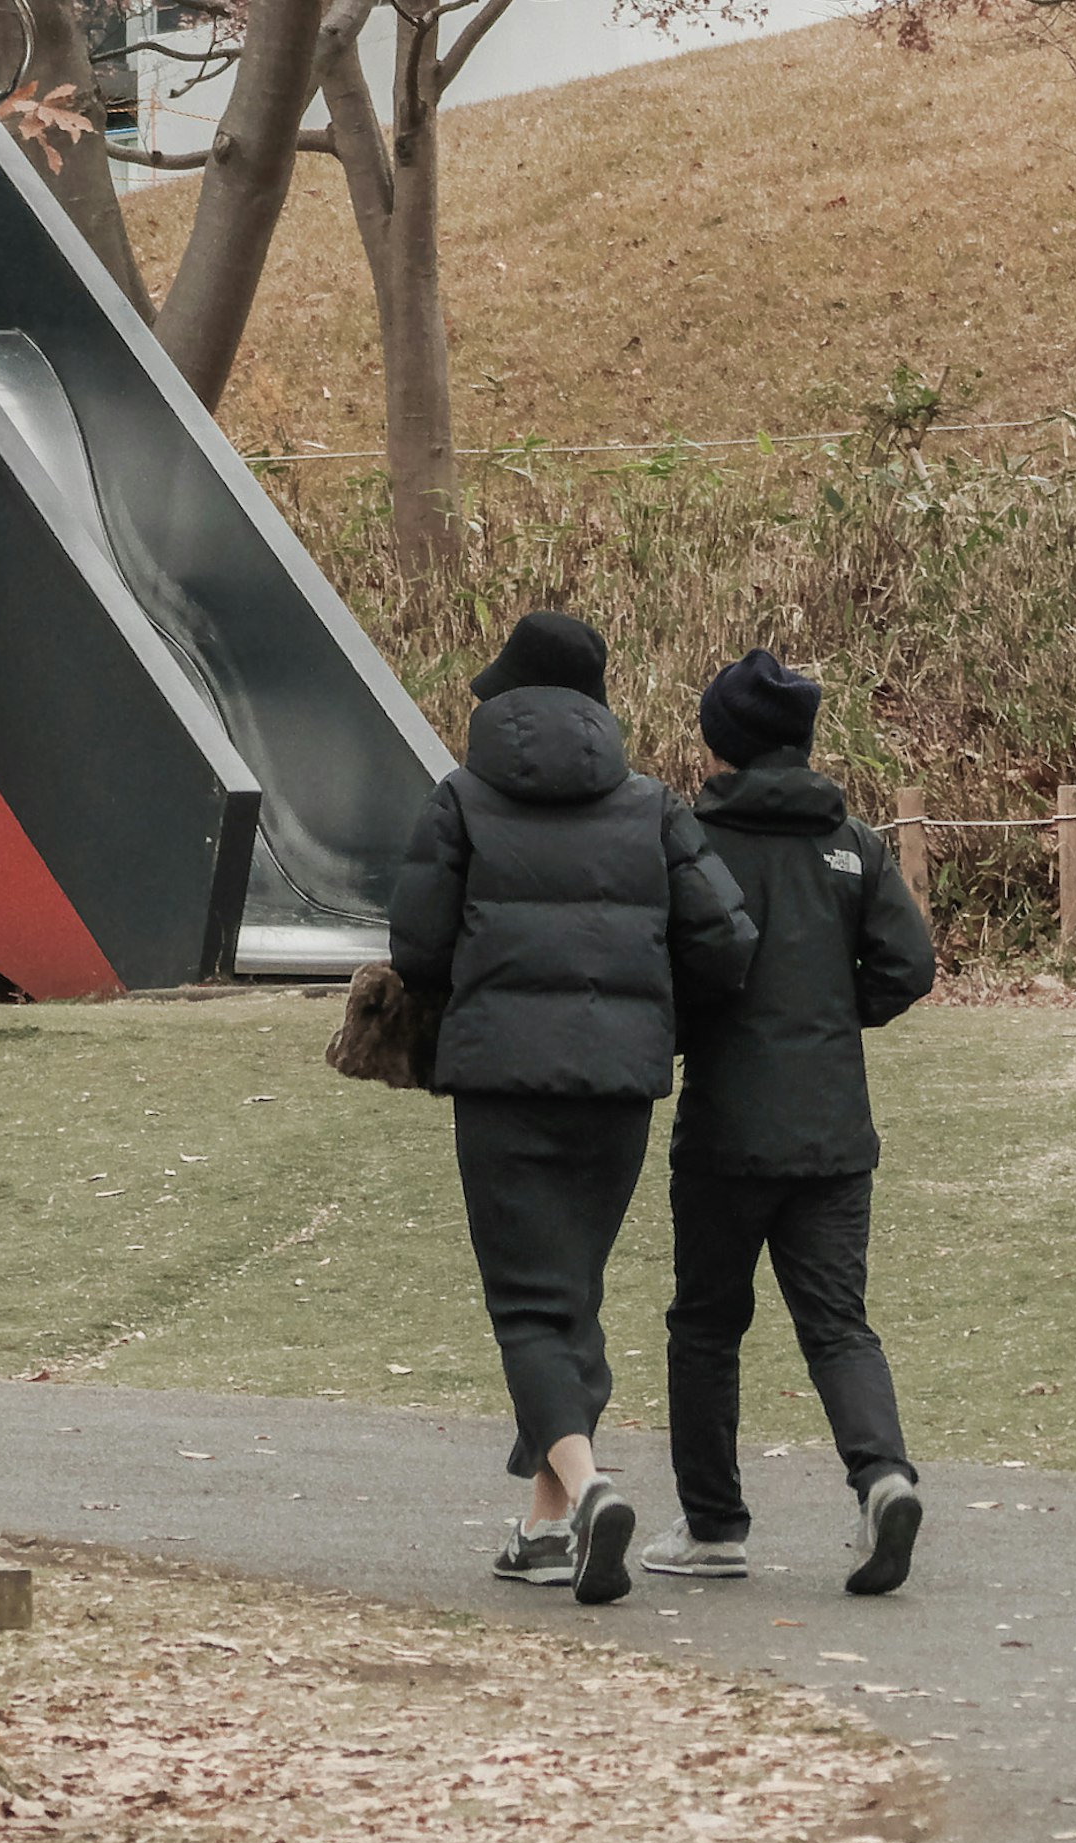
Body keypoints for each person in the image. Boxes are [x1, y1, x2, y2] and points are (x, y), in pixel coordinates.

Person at [388, 604, 755, 1606]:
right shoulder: (651, 804)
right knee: (571, 1294)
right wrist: (651, 1013)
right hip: (619, 1086)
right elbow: (726, 939)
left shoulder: (458, 799)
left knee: (527, 1304)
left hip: (502, 1082)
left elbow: (416, 947)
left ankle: (590, 1494)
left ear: (506, 696)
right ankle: (547, 1528)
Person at [656, 645, 939, 1599]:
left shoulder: (694, 841)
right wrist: (830, 1012)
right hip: (833, 1128)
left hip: (727, 1127)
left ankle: (715, 1525)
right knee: (838, 1323)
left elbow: (674, 971)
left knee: (705, 1323)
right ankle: (883, 1475)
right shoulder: (853, 841)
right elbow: (908, 963)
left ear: (722, 740)